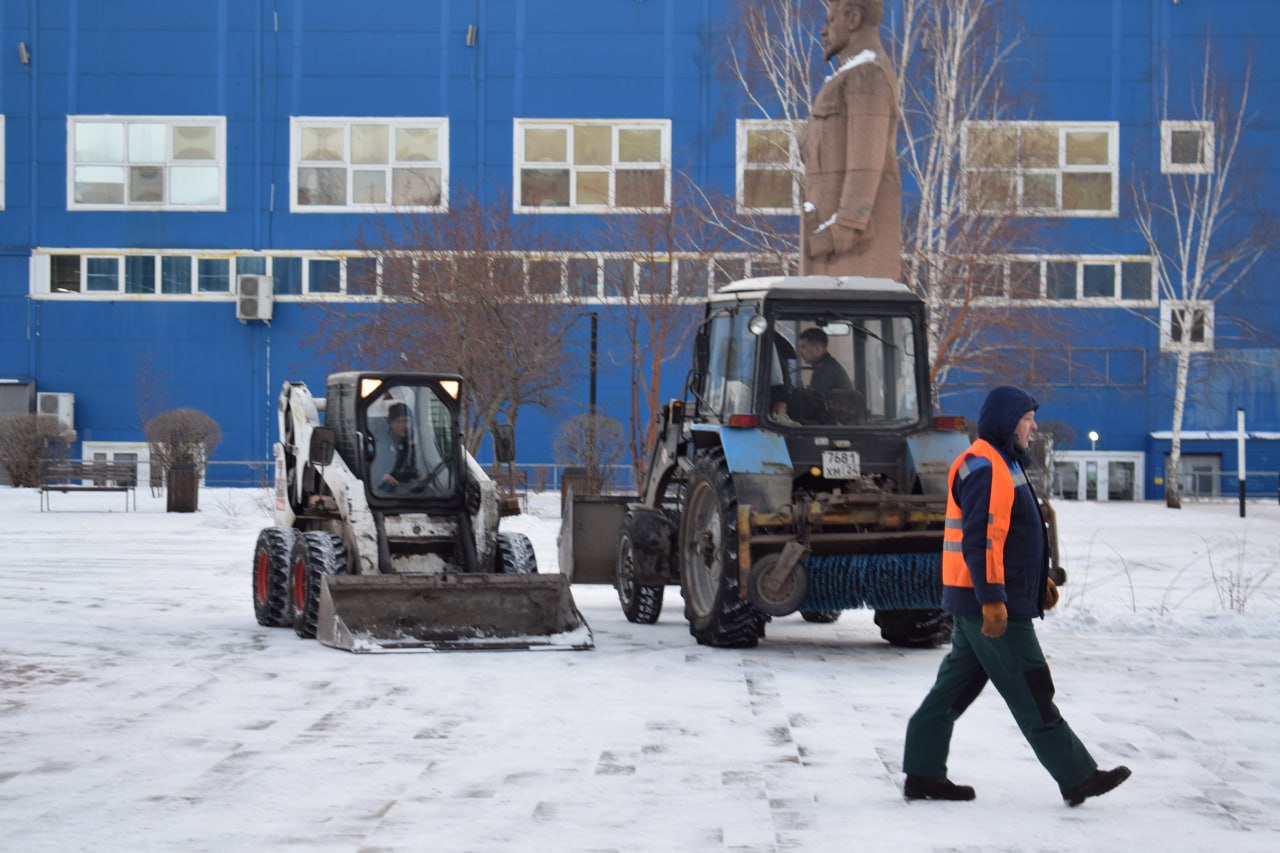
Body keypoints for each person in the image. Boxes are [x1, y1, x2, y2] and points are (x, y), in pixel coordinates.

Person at [902, 386, 1131, 806]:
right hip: (990, 606)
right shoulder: (987, 466)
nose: (1034, 426)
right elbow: (983, 540)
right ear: (1008, 423)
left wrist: (1038, 582)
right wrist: (992, 599)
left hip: (983, 599)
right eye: (1027, 419)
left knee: (952, 689)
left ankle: (922, 771)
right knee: (1032, 686)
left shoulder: (1003, 463)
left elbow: (1014, 536)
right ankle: (1077, 775)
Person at [799, 0, 902, 280]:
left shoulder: (868, 76)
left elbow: (866, 162)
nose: (823, 31)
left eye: (831, 20)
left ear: (853, 18)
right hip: (825, 240)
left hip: (843, 248)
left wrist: (844, 228)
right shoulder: (848, 77)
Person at [373, 401, 419, 492]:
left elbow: (414, 470)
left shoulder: (410, 441)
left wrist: (413, 445)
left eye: (407, 421)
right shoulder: (380, 440)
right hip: (384, 485)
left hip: (404, 486)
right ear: (390, 423)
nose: (404, 425)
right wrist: (381, 476)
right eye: (399, 421)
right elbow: (373, 465)